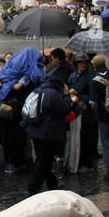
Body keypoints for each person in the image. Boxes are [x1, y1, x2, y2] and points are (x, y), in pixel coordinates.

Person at [21, 48, 74, 194]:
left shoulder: (42, 87)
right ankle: (33, 187)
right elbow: (64, 108)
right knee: (44, 160)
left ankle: (52, 182)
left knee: (44, 159)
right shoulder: (53, 93)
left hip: (36, 129)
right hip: (47, 132)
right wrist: (67, 96)